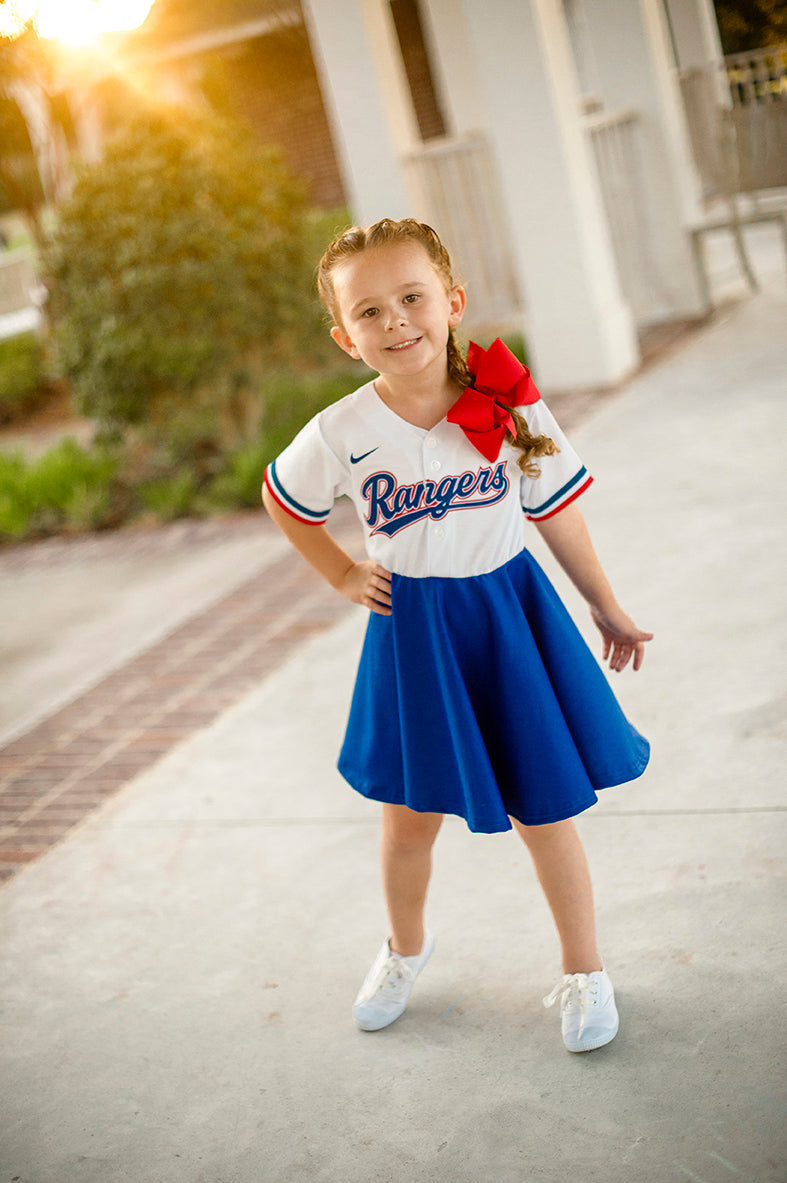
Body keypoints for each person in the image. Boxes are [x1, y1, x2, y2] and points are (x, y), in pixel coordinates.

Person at [262, 218, 653, 1053]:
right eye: (368, 311)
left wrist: (604, 603)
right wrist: (337, 571)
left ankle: (584, 968)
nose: (395, 321)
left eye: (411, 297)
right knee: (406, 818)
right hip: (415, 638)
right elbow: (283, 498)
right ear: (344, 336)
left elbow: (556, 511)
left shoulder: (507, 400)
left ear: (452, 301)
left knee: (543, 806)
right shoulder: (341, 430)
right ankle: (405, 947)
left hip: (507, 619)